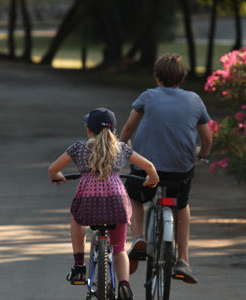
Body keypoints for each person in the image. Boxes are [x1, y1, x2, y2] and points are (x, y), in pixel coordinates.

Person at [48, 108, 159, 300]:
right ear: (113, 131)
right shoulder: (121, 148)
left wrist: (57, 176)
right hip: (117, 203)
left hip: (88, 203)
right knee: (119, 248)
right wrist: (152, 179)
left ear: (89, 130)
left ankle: (79, 266)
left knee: (76, 218)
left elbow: (53, 168)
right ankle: (124, 284)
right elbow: (149, 166)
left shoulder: (78, 148)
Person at [120, 53, 212, 284]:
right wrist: (201, 154)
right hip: (179, 172)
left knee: (135, 196)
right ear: (182, 77)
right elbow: (207, 139)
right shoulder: (195, 100)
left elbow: (129, 127)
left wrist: (123, 145)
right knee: (182, 206)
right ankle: (183, 259)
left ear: (157, 77)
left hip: (145, 169)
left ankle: (139, 238)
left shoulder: (148, 96)